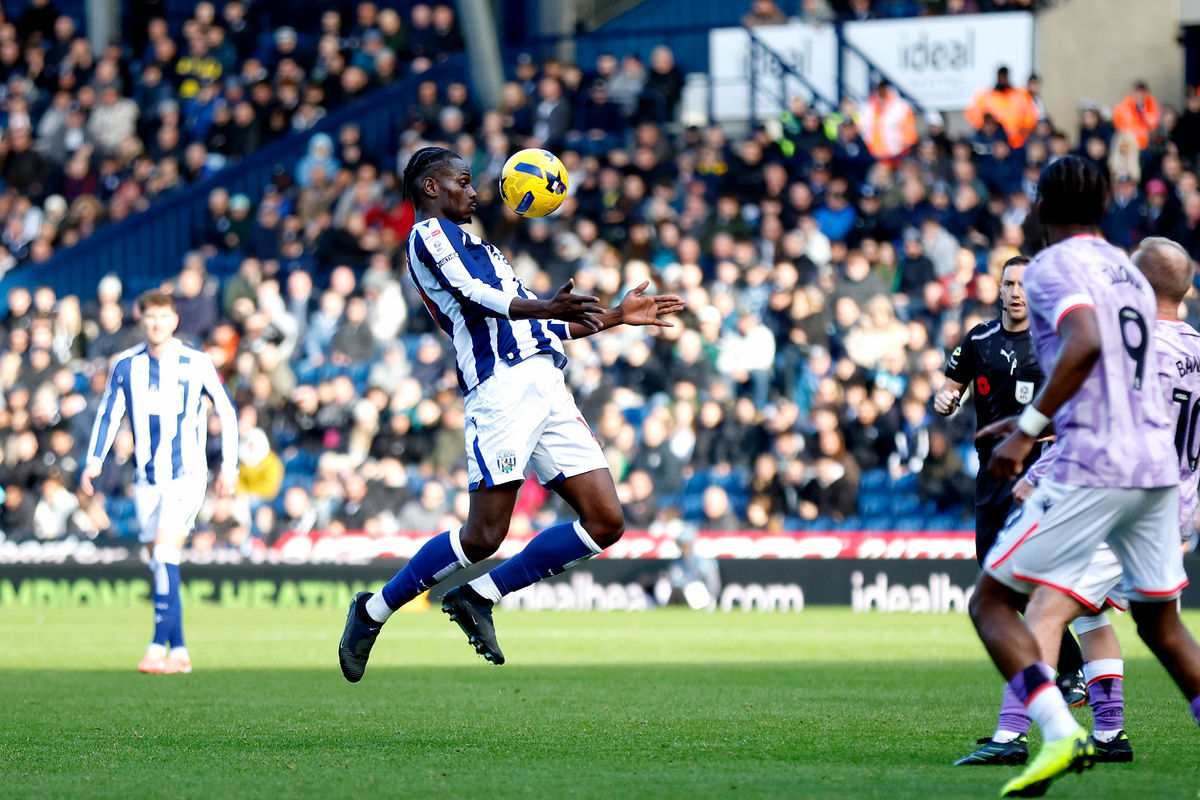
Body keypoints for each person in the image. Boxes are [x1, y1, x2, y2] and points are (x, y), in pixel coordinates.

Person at [338, 146, 684, 680]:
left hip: (546, 383)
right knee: (484, 536)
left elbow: (540, 325)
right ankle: (373, 610)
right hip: (499, 389)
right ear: (431, 188)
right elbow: (471, 296)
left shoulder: (487, 249)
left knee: (605, 521)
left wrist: (615, 316)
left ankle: (480, 595)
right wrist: (544, 304)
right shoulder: (427, 237)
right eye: (464, 181)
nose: (475, 191)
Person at [967, 156, 1200, 797]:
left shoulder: (1054, 266)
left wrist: (1025, 432)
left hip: (1098, 466)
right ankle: (1089, 727)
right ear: (1103, 206)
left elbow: (1086, 341)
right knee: (1162, 625)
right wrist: (1035, 420)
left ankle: (1053, 731)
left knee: (994, 602)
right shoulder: (1127, 271)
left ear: (1042, 204)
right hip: (1158, 471)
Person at [81, 291, 239, 675]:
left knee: (166, 554)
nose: (156, 323)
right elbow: (108, 414)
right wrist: (93, 461)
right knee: (159, 563)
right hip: (146, 479)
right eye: (150, 316)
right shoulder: (125, 365)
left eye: (163, 316)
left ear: (174, 320)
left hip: (187, 473)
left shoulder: (196, 362)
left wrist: (230, 466)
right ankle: (180, 652)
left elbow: (227, 411)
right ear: (142, 320)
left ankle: (156, 647)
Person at [964, 66, 1038, 149]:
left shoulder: (1020, 95)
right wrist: (986, 128)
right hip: (996, 142)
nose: (1003, 79)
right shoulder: (987, 96)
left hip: (1019, 142)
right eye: (1001, 76)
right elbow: (973, 114)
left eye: (1004, 76)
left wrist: (1024, 128)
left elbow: (1031, 114)